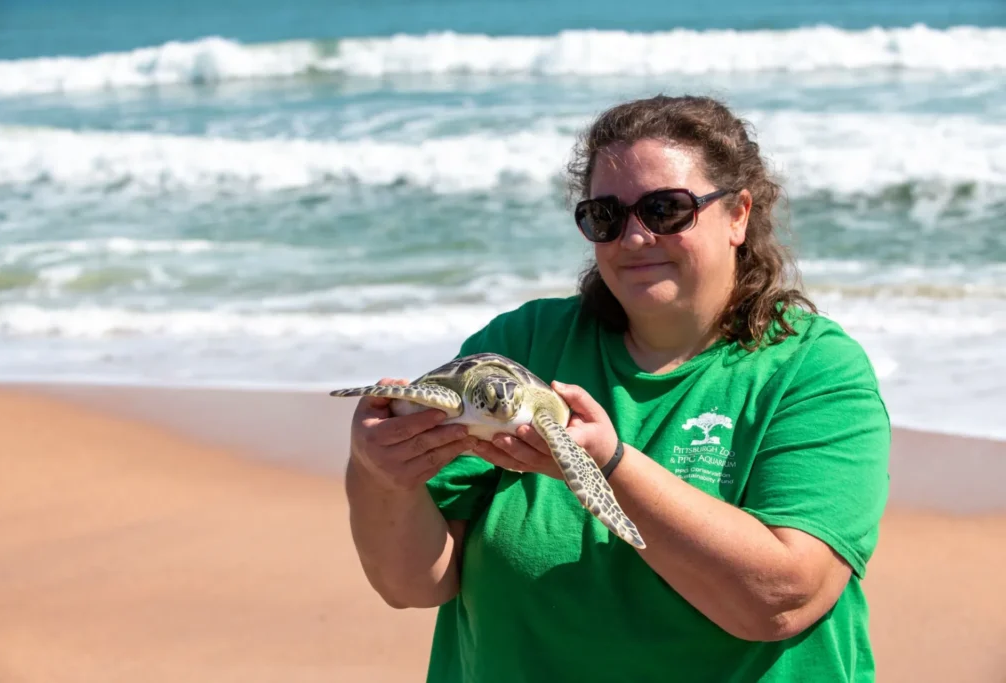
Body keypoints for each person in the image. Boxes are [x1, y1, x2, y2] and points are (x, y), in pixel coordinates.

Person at [343, 94, 891, 683]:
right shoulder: (522, 344)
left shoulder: (813, 370)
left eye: (666, 210)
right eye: (606, 215)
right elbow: (412, 584)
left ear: (738, 215)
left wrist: (608, 464)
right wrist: (381, 476)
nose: (633, 238)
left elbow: (780, 600)